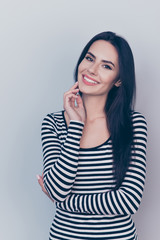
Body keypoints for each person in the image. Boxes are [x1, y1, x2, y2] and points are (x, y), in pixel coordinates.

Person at [37, 31, 147, 240]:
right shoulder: (53, 123)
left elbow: (129, 201)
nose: (92, 70)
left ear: (118, 80)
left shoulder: (133, 124)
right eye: (89, 58)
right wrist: (76, 124)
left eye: (107, 66)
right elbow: (58, 189)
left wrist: (64, 203)